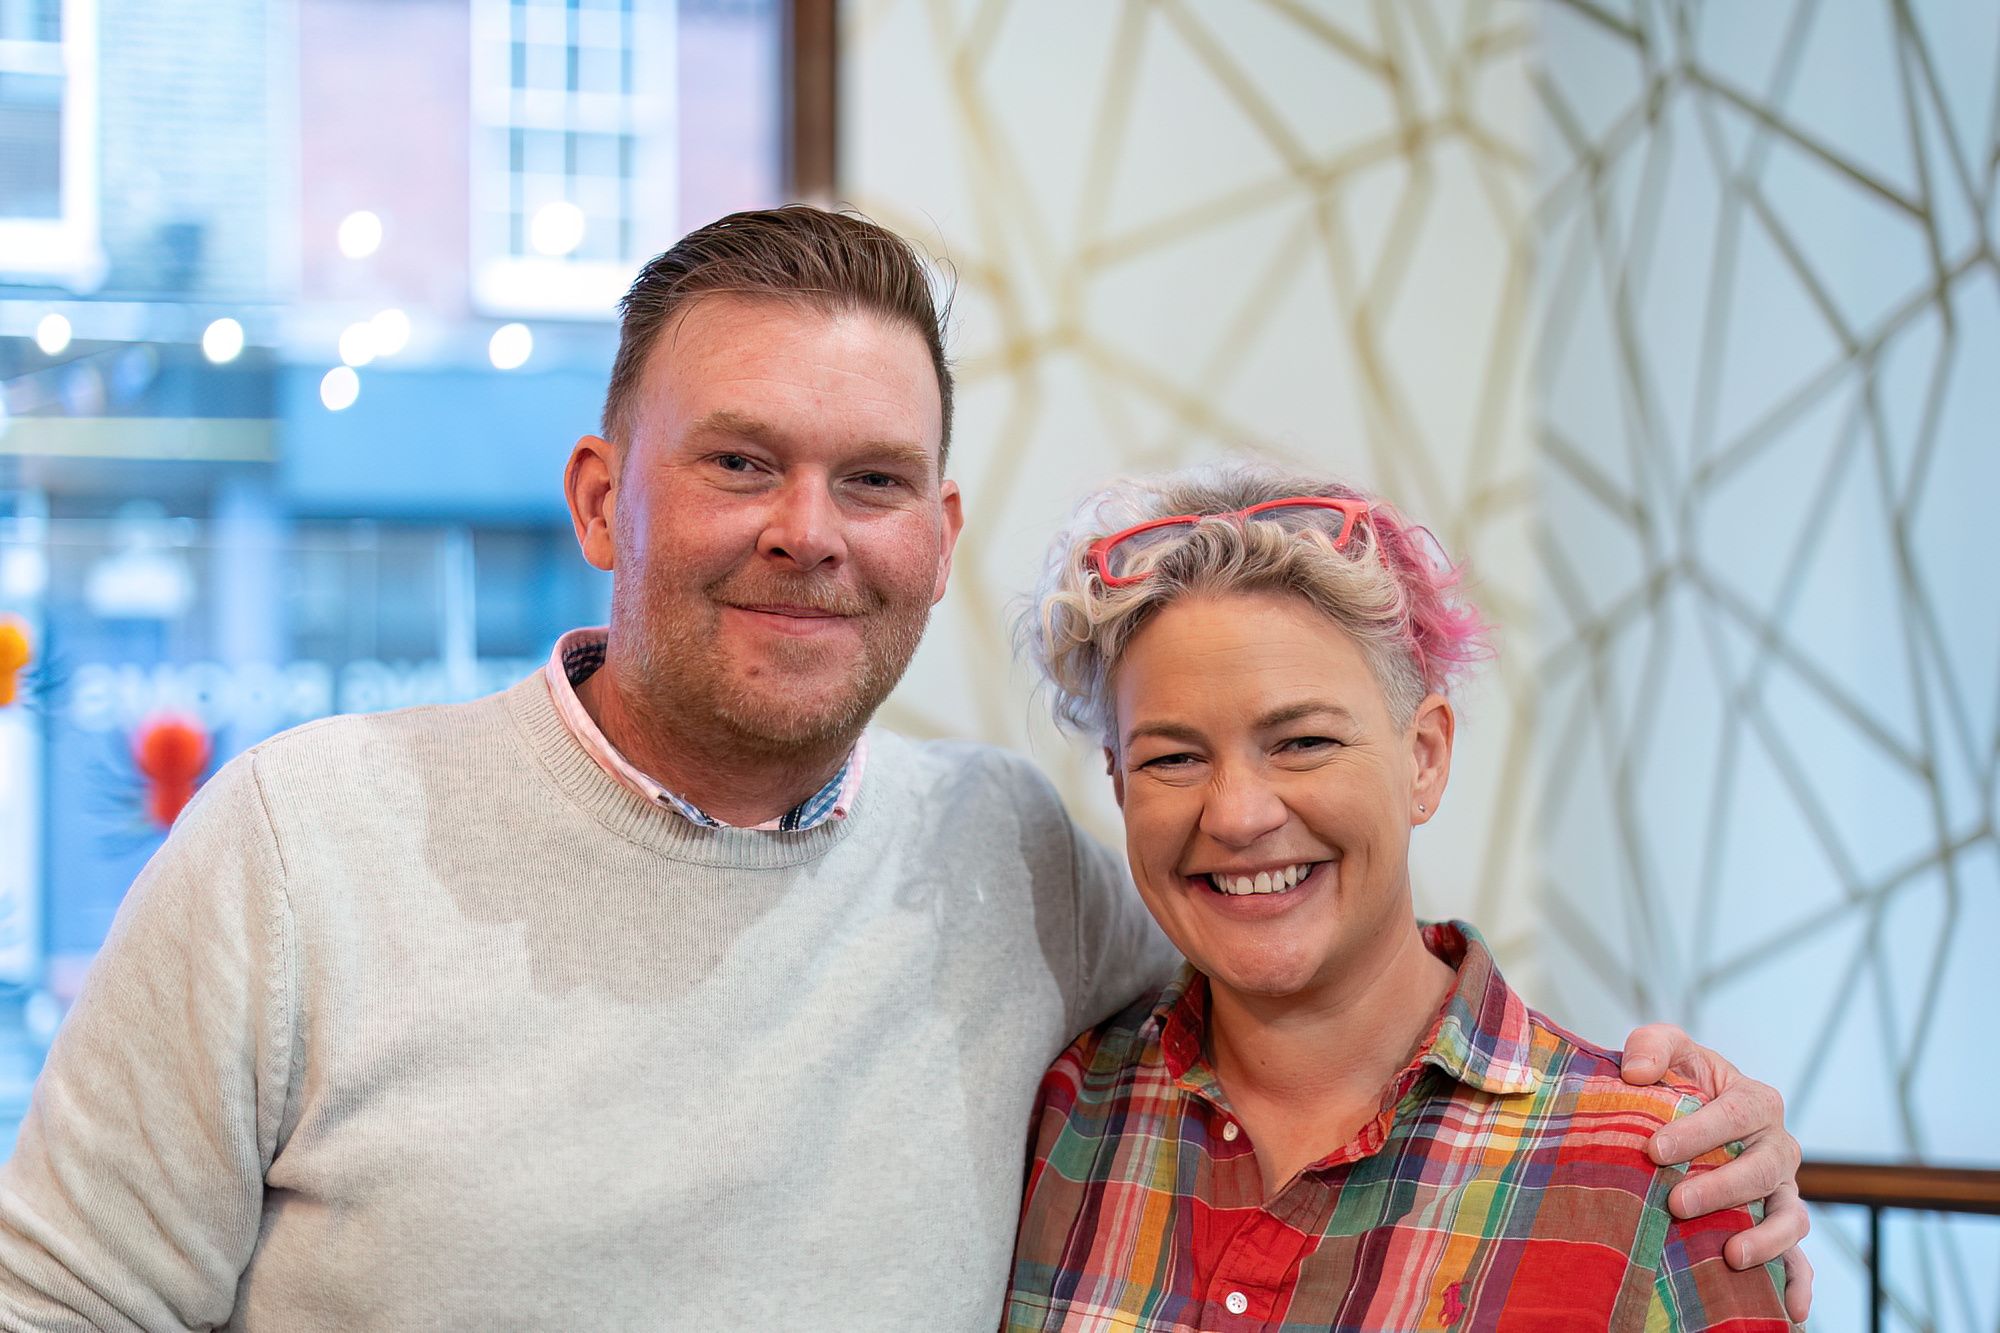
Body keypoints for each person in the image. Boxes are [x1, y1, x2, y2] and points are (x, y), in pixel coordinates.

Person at [0, 208, 1808, 1330]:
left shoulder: (1005, 854)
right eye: (737, 463)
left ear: (937, 534)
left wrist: (1678, 1121)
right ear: (597, 499)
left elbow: (1305, 959)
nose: (810, 532)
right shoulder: (302, 843)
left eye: (870, 480)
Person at [1007, 465, 1796, 1329]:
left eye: (1303, 741)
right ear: (1119, 783)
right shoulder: (1058, 1117)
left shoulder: (1652, 1175)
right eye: (1172, 758)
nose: (1236, 814)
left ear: (1424, 757)